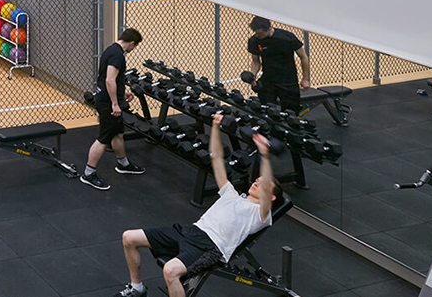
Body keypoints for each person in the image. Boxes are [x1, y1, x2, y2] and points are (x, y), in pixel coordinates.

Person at [116, 114, 276, 297]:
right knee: (129, 237)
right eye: (257, 179)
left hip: (210, 246)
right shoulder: (230, 192)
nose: (257, 182)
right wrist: (215, 127)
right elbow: (216, 158)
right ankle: (137, 288)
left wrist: (264, 156)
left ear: (270, 197)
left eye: (263, 184)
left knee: (170, 271)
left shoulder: (261, 214)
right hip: (190, 231)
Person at [82, 27, 146, 191]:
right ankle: (88, 173)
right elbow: (110, 80)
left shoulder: (111, 49)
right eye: (135, 46)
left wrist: (121, 94)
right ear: (131, 43)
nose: (133, 49)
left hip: (107, 97)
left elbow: (106, 79)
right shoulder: (118, 56)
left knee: (118, 132)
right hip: (107, 102)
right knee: (103, 138)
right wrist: (115, 104)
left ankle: (123, 164)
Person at [246, 17, 311, 111]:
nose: (256, 35)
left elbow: (303, 57)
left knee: (291, 111)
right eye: (255, 32)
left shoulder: (287, 38)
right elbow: (256, 62)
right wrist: (253, 75)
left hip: (288, 80)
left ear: (268, 29)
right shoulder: (254, 41)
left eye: (259, 33)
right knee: (266, 110)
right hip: (268, 79)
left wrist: (305, 79)